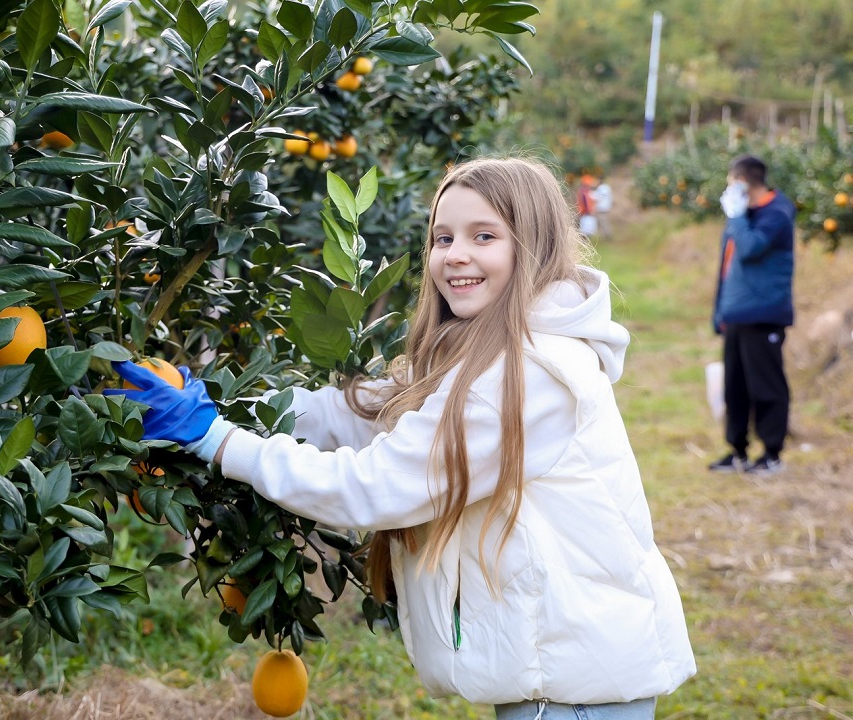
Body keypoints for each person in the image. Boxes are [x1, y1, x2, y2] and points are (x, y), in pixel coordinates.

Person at [109, 157, 696, 718]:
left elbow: (376, 486)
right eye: (443, 238)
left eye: (484, 236)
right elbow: (358, 413)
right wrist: (229, 402)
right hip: (567, 676)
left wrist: (213, 437)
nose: (456, 255)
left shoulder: (528, 374)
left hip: (573, 693)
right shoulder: (482, 350)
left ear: (532, 247)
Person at [709, 154, 796, 476]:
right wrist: (720, 312)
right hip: (737, 314)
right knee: (736, 387)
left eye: (731, 183)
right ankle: (737, 451)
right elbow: (728, 266)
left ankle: (772, 454)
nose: (728, 190)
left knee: (767, 387)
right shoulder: (742, 215)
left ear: (743, 183)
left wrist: (736, 214)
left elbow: (749, 248)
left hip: (763, 314)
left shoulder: (776, 214)